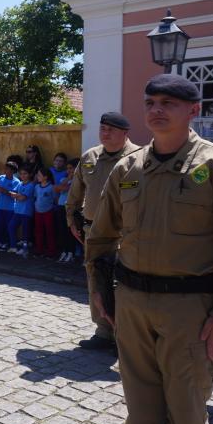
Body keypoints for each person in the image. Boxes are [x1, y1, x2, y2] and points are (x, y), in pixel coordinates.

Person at [86, 74, 213, 424]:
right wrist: (98, 289)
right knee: (141, 414)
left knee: (186, 417)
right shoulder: (128, 169)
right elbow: (99, 238)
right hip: (131, 306)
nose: (156, 110)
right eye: (150, 103)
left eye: (168, 103)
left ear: (193, 110)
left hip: (191, 312)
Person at [66, 111, 141, 352]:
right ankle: (103, 331)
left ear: (124, 133)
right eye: (102, 128)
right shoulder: (90, 158)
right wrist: (72, 219)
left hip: (125, 234)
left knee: (124, 284)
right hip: (93, 233)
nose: (105, 133)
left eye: (111, 129)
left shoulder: (139, 159)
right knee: (96, 281)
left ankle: (126, 334)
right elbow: (75, 194)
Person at [8, 166, 36, 257]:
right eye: (21, 174)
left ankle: (25, 249)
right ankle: (13, 246)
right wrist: (17, 195)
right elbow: (12, 194)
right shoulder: (20, 184)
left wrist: (16, 195)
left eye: (25, 174)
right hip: (17, 211)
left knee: (25, 231)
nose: (23, 176)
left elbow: (23, 197)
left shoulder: (31, 185)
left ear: (30, 175)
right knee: (11, 226)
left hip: (26, 211)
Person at [54, 158, 78, 263]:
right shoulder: (65, 178)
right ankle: (64, 251)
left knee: (70, 231)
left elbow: (68, 189)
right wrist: (69, 178)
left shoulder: (79, 180)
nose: (69, 170)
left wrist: (69, 182)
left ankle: (71, 253)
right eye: (67, 168)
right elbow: (58, 188)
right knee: (62, 230)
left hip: (71, 207)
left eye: (71, 168)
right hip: (60, 206)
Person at [0, 161, 20, 250]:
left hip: (10, 208)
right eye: (5, 168)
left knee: (8, 226)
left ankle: (7, 243)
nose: (5, 170)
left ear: (12, 171)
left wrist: (1, 189)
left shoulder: (16, 182)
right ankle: (0, 242)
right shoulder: (0, 177)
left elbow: (13, 194)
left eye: (7, 169)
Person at [32, 167, 57, 258]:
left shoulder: (51, 187)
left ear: (45, 177)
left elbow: (55, 199)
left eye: (39, 175)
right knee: (38, 231)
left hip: (48, 212)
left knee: (49, 231)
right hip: (38, 212)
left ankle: (51, 251)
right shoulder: (37, 187)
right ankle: (39, 249)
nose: (37, 176)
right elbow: (36, 197)